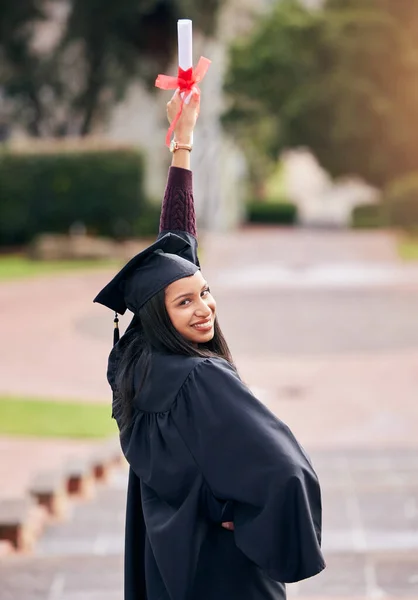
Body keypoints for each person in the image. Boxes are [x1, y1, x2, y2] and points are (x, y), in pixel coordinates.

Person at [94, 89, 326, 600]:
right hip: (225, 572)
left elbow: (176, 251)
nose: (204, 308)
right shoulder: (200, 377)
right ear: (159, 313)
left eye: (205, 292)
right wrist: (251, 524)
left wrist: (183, 144)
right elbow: (285, 470)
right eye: (185, 304)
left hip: (166, 561)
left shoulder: (136, 365)